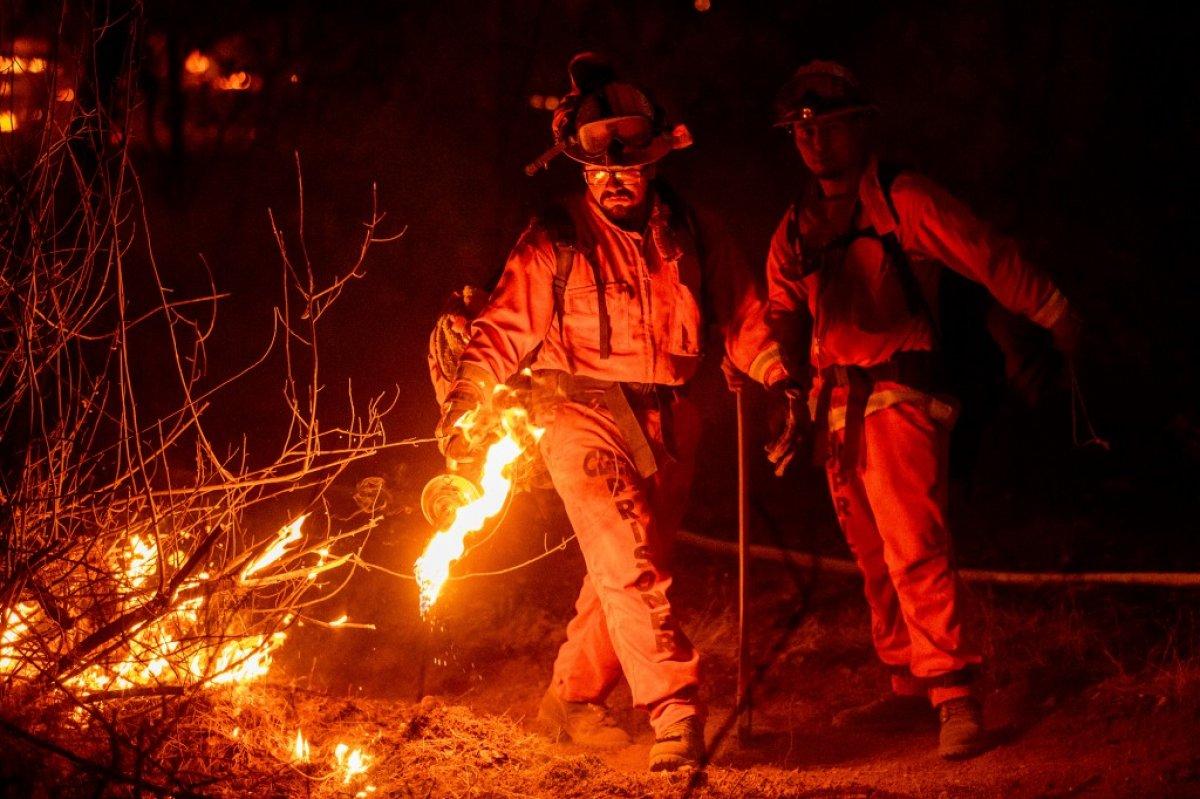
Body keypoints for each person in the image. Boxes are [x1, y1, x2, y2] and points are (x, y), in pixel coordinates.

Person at [434, 53, 784, 772]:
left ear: (654, 162)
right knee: (630, 563)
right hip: (581, 413)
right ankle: (676, 711)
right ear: (581, 168)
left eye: (628, 166)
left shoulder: (693, 230)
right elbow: (500, 329)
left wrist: (783, 379)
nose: (615, 179)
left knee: (627, 567)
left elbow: (745, 316)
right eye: (600, 170)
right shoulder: (555, 238)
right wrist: (466, 402)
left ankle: (572, 698)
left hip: (673, 420)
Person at [731, 60, 1080, 759]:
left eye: (828, 126)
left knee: (914, 545)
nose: (814, 142)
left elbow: (984, 254)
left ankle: (954, 691)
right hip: (835, 403)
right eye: (801, 131)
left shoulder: (904, 198)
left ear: (860, 126)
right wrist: (775, 378)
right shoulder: (796, 224)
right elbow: (777, 308)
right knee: (870, 554)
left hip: (901, 391)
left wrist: (1054, 311)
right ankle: (908, 685)